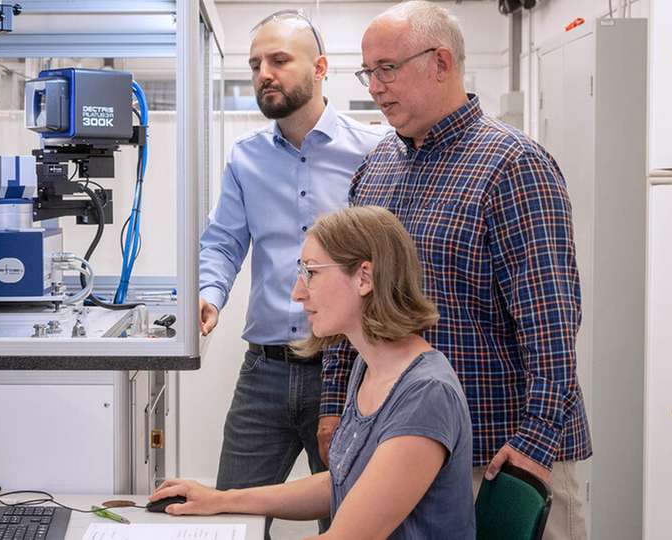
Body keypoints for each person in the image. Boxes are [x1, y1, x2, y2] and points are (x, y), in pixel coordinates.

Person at [321, 3, 592, 539]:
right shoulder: (375, 170)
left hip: (497, 459)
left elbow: (552, 325)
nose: (374, 86)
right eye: (367, 72)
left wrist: (533, 449)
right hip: (400, 453)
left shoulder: (514, 166)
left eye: (387, 69)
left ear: (441, 62)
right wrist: (334, 405)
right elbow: (354, 302)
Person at [156, 206, 475, 540]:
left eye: (311, 272)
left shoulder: (425, 395)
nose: (297, 292)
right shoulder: (370, 367)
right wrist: (221, 500)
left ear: (364, 278)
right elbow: (336, 482)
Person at [198, 9, 385, 537]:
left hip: (349, 370)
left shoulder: (373, 152)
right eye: (255, 64)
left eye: (279, 60)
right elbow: (224, 241)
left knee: (350, 519)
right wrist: (207, 294)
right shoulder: (245, 159)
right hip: (266, 373)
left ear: (320, 67)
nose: (264, 74)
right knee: (228, 515)